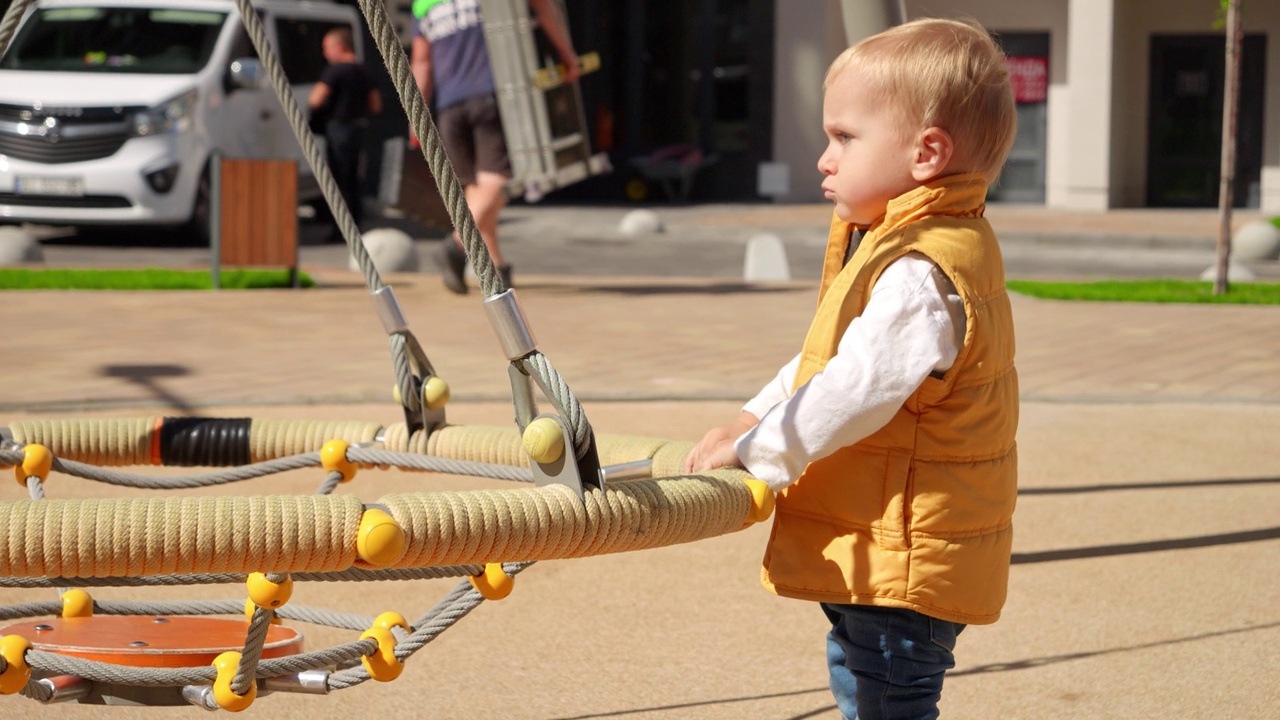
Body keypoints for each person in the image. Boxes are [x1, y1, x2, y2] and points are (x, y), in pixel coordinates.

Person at [683, 18, 1019, 720]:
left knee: (885, 703)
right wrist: (751, 415)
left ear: (926, 153)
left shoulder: (923, 267)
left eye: (844, 137)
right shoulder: (912, 242)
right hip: (890, 549)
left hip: (903, 560)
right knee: (866, 689)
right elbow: (832, 361)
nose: (823, 160)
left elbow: (854, 391)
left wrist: (759, 453)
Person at [410, 0, 580, 294]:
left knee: (477, 190)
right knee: (498, 181)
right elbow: (544, 8)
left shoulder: (422, 4)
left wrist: (415, 113)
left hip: (450, 105)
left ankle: (496, 269)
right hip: (493, 93)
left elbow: (422, 61)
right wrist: (567, 54)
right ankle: (456, 245)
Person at [309, 26, 382, 232]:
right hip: (358, 129)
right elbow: (376, 105)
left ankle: (339, 228)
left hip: (339, 130)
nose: (325, 53)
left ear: (339, 47)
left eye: (327, 48)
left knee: (339, 179)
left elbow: (316, 99)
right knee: (353, 180)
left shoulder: (335, 71)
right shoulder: (365, 70)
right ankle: (355, 223)